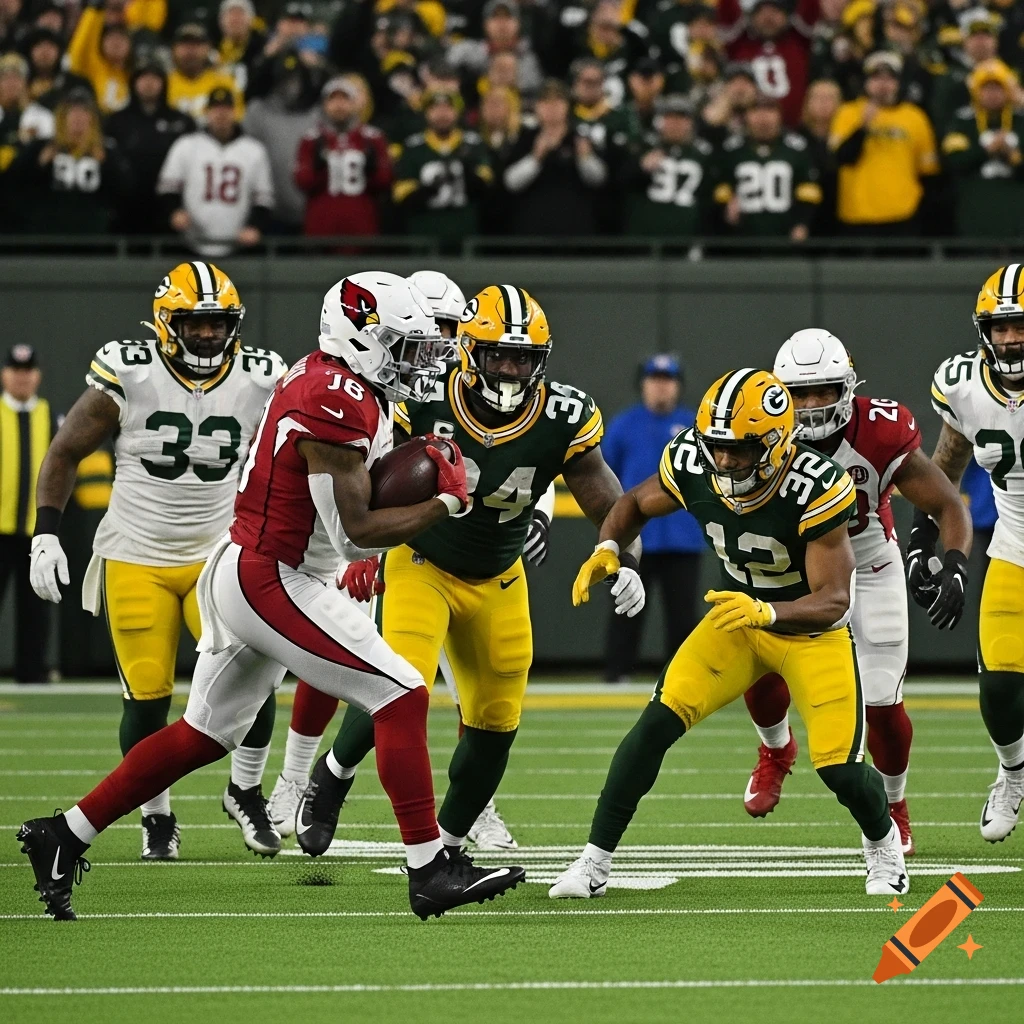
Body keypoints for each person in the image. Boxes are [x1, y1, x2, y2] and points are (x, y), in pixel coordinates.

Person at [19, 271, 526, 922]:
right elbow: (357, 534)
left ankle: (64, 834)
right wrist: (444, 502)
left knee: (202, 735)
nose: (415, 361)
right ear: (361, 337)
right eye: (402, 345)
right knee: (402, 691)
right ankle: (430, 868)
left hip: (252, 568)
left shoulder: (336, 378)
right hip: (275, 576)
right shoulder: (336, 396)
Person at [284, 283, 643, 863]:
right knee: (399, 689)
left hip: (500, 576)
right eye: (498, 354)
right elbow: (362, 479)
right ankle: (331, 777)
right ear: (469, 350)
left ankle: (449, 845)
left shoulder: (563, 414)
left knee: (495, 725)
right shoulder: (419, 396)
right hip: (422, 561)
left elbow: (611, 503)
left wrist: (622, 557)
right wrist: (365, 554)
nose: (510, 368)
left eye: (523, 358)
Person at [550, 368, 911, 899]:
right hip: (735, 620)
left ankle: (882, 846)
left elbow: (835, 600)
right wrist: (610, 551)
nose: (723, 461)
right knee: (651, 729)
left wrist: (767, 611)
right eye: (716, 446)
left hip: (810, 630)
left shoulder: (817, 485)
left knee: (839, 769)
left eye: (738, 450)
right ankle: (594, 861)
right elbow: (628, 505)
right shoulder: (693, 460)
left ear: (775, 443)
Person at [28, 262, 287, 860]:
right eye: (194, 324)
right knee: (147, 698)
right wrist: (46, 534)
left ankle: (245, 791)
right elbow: (66, 450)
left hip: (219, 556)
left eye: (218, 324)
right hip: (136, 553)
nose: (206, 336)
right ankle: (157, 815)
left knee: (254, 676)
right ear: (166, 324)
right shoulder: (130, 370)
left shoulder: (260, 378)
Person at [742, 330, 972, 856]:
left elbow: (948, 504)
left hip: (868, 561)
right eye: (799, 394)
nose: (812, 405)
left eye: (824, 391)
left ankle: (895, 806)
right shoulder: (757, 428)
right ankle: (776, 751)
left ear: (847, 387)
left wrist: (954, 563)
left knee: (882, 701)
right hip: (792, 563)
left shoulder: (880, 431)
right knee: (756, 652)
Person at [926, 265, 1024, 845]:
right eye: (1001, 326)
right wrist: (923, 539)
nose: (1011, 338)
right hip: (1014, 549)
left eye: (1021, 325)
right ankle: (1013, 774)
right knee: (1000, 688)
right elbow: (945, 464)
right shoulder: (963, 387)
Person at [602, 354, 703, 682]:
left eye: (668, 380)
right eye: (655, 380)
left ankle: (681, 679)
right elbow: (604, 475)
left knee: (683, 616)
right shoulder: (624, 425)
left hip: (683, 537)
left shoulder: (693, 426)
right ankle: (617, 676)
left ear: (677, 386)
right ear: (644, 384)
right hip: (635, 539)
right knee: (625, 608)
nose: (661, 387)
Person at [829, 51, 939, 236]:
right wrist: (862, 128)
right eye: (876, 78)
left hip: (903, 216)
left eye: (889, 79)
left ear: (898, 83)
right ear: (866, 82)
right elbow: (841, 159)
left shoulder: (915, 117)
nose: (883, 85)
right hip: (857, 217)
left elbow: (928, 172)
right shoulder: (848, 113)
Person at [158, 86, 274, 257]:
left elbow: (263, 198)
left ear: (235, 112)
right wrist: (175, 211)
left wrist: (254, 226)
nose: (221, 114)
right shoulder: (187, 145)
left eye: (226, 109)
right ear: (206, 112)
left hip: (238, 244)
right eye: (216, 109)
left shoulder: (254, 150)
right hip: (190, 241)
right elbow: (168, 188)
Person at [4, 88, 130, 235]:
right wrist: (39, 165)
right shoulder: (40, 147)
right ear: (61, 117)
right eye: (72, 111)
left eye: (84, 112)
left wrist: (108, 166)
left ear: (93, 119)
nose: (78, 118)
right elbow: (13, 184)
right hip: (47, 236)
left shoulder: (107, 150)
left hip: (94, 238)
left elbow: (125, 192)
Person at [0, 344, 52, 683]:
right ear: (5, 374)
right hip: (0, 529)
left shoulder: (54, 414)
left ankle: (32, 676)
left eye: (27, 371)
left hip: (39, 531)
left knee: (37, 610)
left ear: (37, 376)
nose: (21, 378)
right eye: (15, 371)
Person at [503, 78, 607, 236]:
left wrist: (585, 158)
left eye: (557, 101)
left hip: (576, 231)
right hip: (533, 232)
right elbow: (511, 183)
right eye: (545, 102)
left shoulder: (580, 137)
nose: (551, 108)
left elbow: (599, 179)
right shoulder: (525, 138)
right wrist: (535, 158)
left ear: (567, 106)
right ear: (536, 107)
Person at [294, 75, 392, 239]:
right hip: (321, 229)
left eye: (345, 99)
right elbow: (302, 182)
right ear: (324, 105)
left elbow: (385, 181)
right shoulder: (311, 140)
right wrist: (318, 169)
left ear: (355, 104)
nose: (339, 106)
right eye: (333, 100)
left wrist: (372, 169)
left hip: (363, 228)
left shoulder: (373, 138)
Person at [714, 93, 822, 240]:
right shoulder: (732, 149)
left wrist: (801, 223)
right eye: (756, 110)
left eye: (769, 110)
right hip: (742, 237)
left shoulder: (797, 148)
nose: (763, 116)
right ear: (746, 116)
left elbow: (808, 190)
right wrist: (726, 207)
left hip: (785, 235)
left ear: (779, 115)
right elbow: (721, 186)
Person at [104, 63, 195, 236]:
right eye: (143, 77)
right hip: (127, 206)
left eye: (155, 78)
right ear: (133, 82)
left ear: (164, 83)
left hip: (170, 206)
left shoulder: (182, 121)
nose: (149, 83)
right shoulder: (115, 121)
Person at [392, 89, 493, 245]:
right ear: (426, 113)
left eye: (448, 108)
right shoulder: (413, 147)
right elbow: (403, 196)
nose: (442, 114)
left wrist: (467, 172)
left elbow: (486, 188)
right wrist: (429, 189)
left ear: (457, 112)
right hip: (424, 235)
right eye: (436, 108)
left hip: (466, 235)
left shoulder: (473, 144)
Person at [941, 59, 1024, 240]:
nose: (992, 94)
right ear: (976, 90)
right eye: (987, 88)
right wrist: (987, 150)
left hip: (1016, 212)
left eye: (998, 87)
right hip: (974, 209)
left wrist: (1012, 156)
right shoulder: (961, 121)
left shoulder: (1020, 120)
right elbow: (954, 161)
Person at [726, 0, 810, 128]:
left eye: (775, 12)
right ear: (751, 17)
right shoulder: (739, 44)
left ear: (787, 16)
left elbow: (810, 10)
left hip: (796, 127)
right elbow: (727, 13)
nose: (768, 17)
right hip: (745, 130)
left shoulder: (799, 42)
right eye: (762, 12)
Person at [165, 23, 242, 122]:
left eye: (196, 44)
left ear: (208, 48)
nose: (190, 50)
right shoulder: (163, 84)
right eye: (184, 44)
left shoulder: (224, 82)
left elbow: (236, 120)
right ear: (173, 49)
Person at [66, 0, 132, 114]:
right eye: (110, 38)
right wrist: (95, 10)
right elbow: (82, 46)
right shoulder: (92, 68)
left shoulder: (135, 76)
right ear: (101, 44)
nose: (116, 42)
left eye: (121, 38)